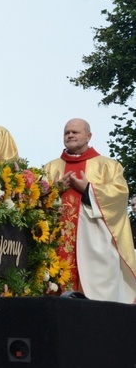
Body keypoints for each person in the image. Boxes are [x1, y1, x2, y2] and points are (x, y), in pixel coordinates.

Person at [44, 118, 136, 303]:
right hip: (57, 246)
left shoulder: (108, 166)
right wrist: (54, 190)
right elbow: (37, 200)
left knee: (97, 305)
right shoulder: (51, 167)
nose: (70, 135)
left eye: (75, 132)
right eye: (66, 132)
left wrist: (88, 189)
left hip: (95, 249)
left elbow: (119, 196)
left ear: (89, 136)